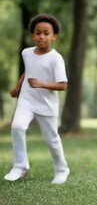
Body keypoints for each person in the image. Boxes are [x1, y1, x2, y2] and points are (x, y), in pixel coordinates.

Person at [4, 14, 70, 184]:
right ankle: (20, 166)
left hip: (47, 104)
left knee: (52, 139)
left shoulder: (56, 58)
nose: (42, 36)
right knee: (17, 127)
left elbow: (62, 85)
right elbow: (28, 71)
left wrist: (41, 84)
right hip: (26, 100)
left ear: (53, 36)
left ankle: (62, 169)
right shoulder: (26, 53)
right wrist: (18, 87)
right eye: (38, 33)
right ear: (32, 35)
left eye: (46, 33)